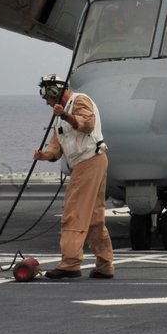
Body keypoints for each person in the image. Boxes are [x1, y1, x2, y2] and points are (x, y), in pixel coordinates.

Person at [33, 74, 116, 279]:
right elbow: (56, 148)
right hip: (87, 163)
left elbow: (87, 124)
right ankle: (105, 265)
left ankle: (70, 264)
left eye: (48, 97)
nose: (47, 102)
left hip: (89, 160)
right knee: (95, 218)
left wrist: (66, 115)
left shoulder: (80, 101)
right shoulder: (58, 117)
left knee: (74, 212)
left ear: (55, 92)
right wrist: (44, 156)